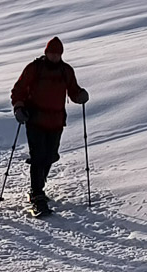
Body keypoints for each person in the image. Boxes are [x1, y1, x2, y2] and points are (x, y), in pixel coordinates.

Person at [10, 37, 89, 214]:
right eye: (52, 53)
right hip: (35, 120)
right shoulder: (35, 68)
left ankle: (39, 186)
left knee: (50, 156)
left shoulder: (66, 71)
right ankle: (37, 193)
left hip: (56, 121)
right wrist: (19, 107)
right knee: (38, 156)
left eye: (57, 54)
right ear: (46, 52)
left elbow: (73, 91)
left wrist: (81, 95)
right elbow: (19, 89)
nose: (54, 56)